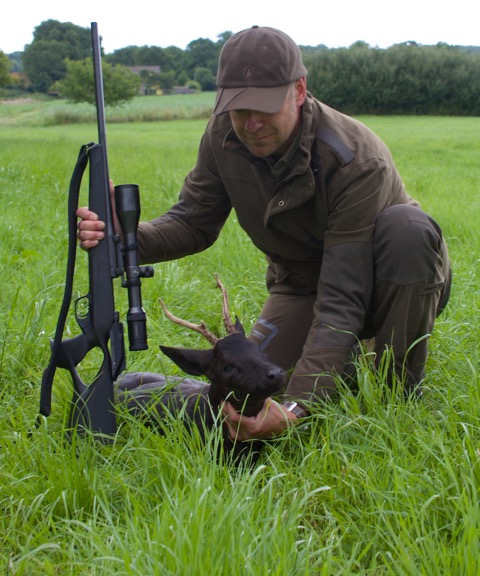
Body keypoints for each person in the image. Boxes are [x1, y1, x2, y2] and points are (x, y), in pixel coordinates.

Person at [77, 26, 451, 442]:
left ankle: (396, 392)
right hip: (300, 286)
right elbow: (192, 223)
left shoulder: (354, 158)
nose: (251, 124)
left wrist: (295, 410)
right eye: (239, 109)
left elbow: (343, 299)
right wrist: (125, 236)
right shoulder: (223, 135)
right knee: (252, 386)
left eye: (265, 108)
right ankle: (337, 364)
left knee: (408, 229)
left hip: (385, 286)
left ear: (299, 90)